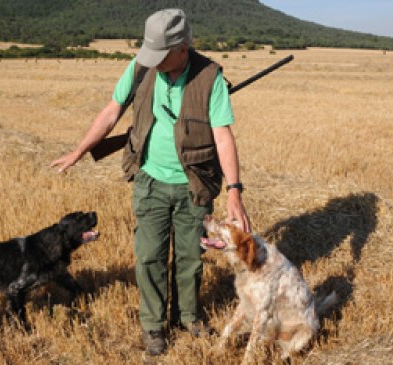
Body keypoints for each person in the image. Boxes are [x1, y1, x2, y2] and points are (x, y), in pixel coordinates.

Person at [50, 8, 251, 356]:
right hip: (150, 181)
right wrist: (80, 151)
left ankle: (187, 317)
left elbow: (223, 137)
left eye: (161, 55)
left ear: (182, 48)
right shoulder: (141, 67)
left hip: (195, 184)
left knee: (190, 258)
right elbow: (112, 111)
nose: (154, 61)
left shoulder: (210, 77)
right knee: (149, 257)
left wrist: (234, 191)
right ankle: (154, 326)